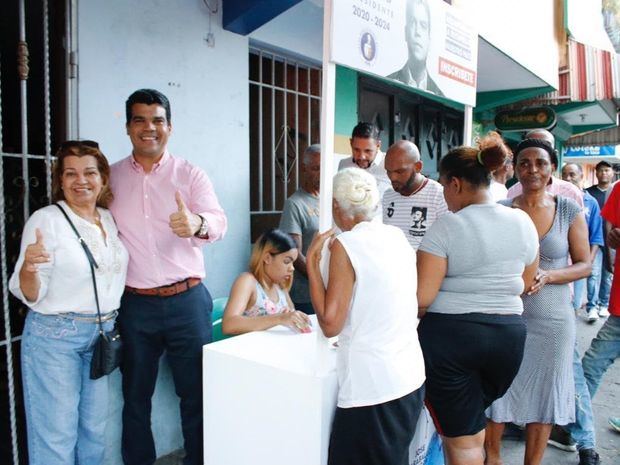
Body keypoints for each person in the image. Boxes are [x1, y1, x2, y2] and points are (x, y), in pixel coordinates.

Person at [110, 89, 227, 465]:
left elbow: (219, 221)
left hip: (187, 301)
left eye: (157, 120)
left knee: (195, 396)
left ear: (170, 127)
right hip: (135, 305)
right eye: (140, 120)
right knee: (135, 397)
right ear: (128, 126)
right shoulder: (109, 179)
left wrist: (197, 222)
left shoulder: (189, 174)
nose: (149, 128)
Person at [415, 132, 539, 465]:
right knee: (472, 426)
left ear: (455, 184)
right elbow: (526, 283)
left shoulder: (446, 227)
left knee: (464, 441)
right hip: (508, 340)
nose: (444, 195)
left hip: (451, 340)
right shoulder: (522, 222)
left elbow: (422, 297)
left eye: (443, 186)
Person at [9, 140, 129, 465]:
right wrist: (30, 268)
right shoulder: (47, 219)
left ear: (102, 178)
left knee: (93, 431)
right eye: (70, 174)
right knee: (57, 436)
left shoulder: (107, 219)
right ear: (60, 181)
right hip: (55, 337)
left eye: (90, 172)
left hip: (101, 334)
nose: (81, 181)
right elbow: (30, 294)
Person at [306, 167, 425, 465]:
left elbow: (330, 324)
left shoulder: (347, 245)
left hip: (373, 388)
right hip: (409, 375)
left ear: (336, 205)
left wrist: (311, 266)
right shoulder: (395, 236)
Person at [486, 138, 591, 465]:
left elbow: (585, 264)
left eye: (540, 163)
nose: (532, 169)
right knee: (498, 392)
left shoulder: (569, 210)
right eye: (524, 163)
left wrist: (548, 276)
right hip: (508, 317)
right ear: (514, 170)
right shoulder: (501, 211)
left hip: (554, 323)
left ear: (551, 170)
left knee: (546, 397)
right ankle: (493, 459)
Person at [221, 229, 311, 335]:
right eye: (287, 261)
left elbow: (290, 316)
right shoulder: (247, 281)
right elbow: (229, 325)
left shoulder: (280, 286)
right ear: (267, 258)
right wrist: (279, 318)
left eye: (293, 263)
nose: (292, 268)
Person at [383, 140, 448, 250]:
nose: (392, 177)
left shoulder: (439, 196)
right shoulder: (388, 195)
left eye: (399, 171)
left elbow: (447, 243)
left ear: (418, 167)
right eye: (388, 171)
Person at [279, 145, 321, 314]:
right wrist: (319, 279)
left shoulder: (327, 199)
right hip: (305, 294)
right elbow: (295, 253)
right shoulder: (295, 204)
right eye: (316, 168)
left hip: (327, 289)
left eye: (324, 168)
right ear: (304, 169)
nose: (321, 173)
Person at [561, 163, 604, 319]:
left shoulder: (590, 202)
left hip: (578, 260)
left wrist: (588, 261)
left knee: (574, 303)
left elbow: (596, 235)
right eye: (564, 174)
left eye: (572, 174)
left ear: (581, 176)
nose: (568, 178)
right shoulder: (556, 200)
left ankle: (591, 307)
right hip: (560, 259)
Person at [507, 129, 584, 208]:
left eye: (546, 146)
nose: (533, 170)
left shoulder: (571, 193)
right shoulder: (512, 193)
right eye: (525, 163)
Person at [388, 0, 443, 95]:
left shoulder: (439, 94)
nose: (417, 32)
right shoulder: (389, 81)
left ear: (429, 39)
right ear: (405, 32)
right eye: (413, 22)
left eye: (423, 25)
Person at [585, 160, 615, 319]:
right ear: (596, 173)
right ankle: (592, 307)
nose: (604, 173)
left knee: (608, 275)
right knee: (593, 274)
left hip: (612, 242)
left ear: (612, 173)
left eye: (607, 170)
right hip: (594, 241)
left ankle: (604, 304)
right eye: (601, 170)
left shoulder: (615, 192)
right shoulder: (588, 193)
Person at [338, 122, 391, 198]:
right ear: (351, 143)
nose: (361, 157)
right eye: (356, 150)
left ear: (378, 146)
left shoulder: (390, 165)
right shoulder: (344, 165)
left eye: (368, 151)